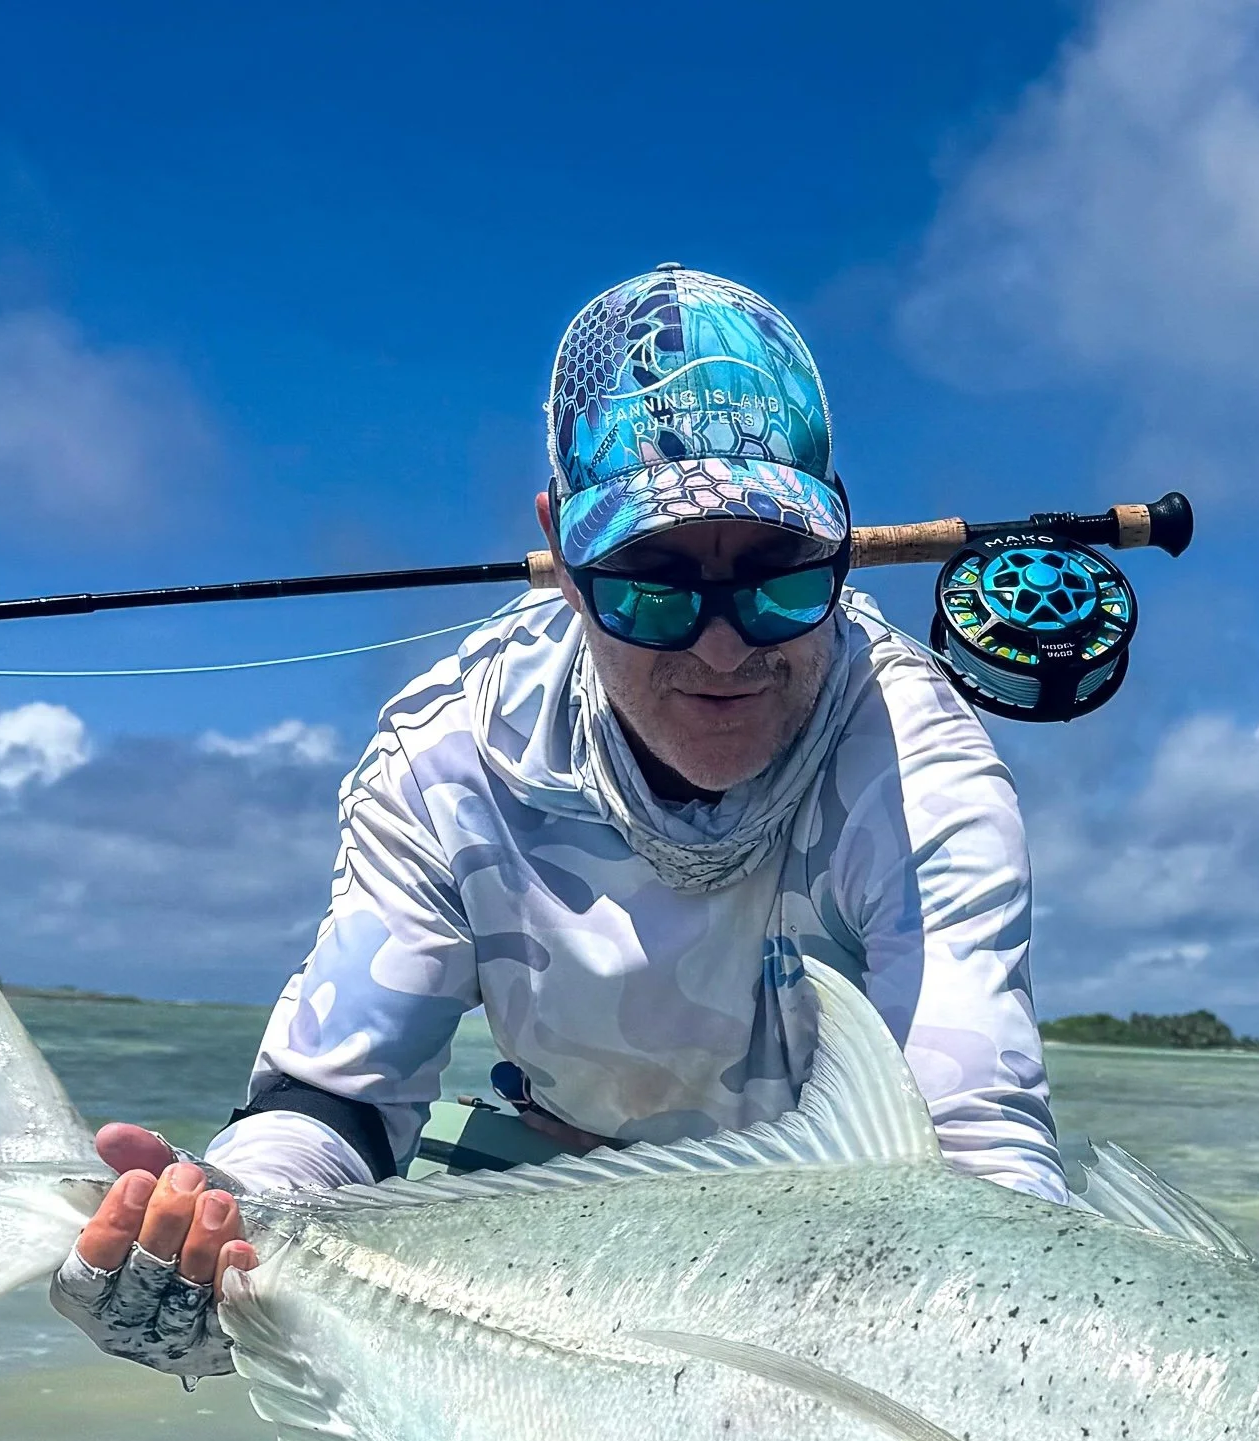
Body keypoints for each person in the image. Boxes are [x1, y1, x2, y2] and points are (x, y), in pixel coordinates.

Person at [54, 264, 1064, 1380]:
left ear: (838, 538)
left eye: (778, 577)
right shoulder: (450, 755)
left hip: (835, 1254)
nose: (722, 648)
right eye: (648, 580)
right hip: (537, 1187)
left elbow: (977, 1164)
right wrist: (225, 1227)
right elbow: (337, 1098)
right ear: (563, 555)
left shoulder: (923, 772)